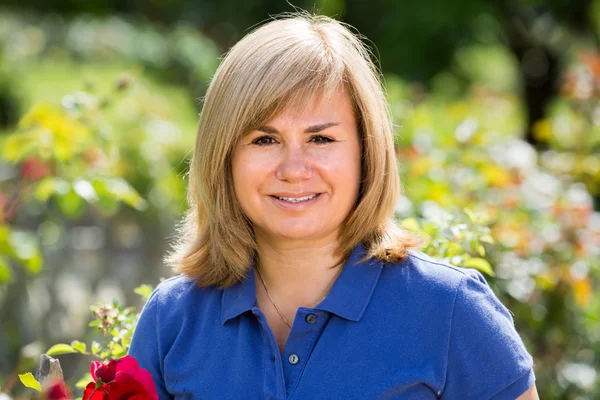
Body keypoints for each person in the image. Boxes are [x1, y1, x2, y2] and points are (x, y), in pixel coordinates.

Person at [129, 13, 539, 400]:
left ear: (366, 152)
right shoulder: (171, 320)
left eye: (321, 139)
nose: (293, 170)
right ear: (224, 157)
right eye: (264, 140)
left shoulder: (450, 309)